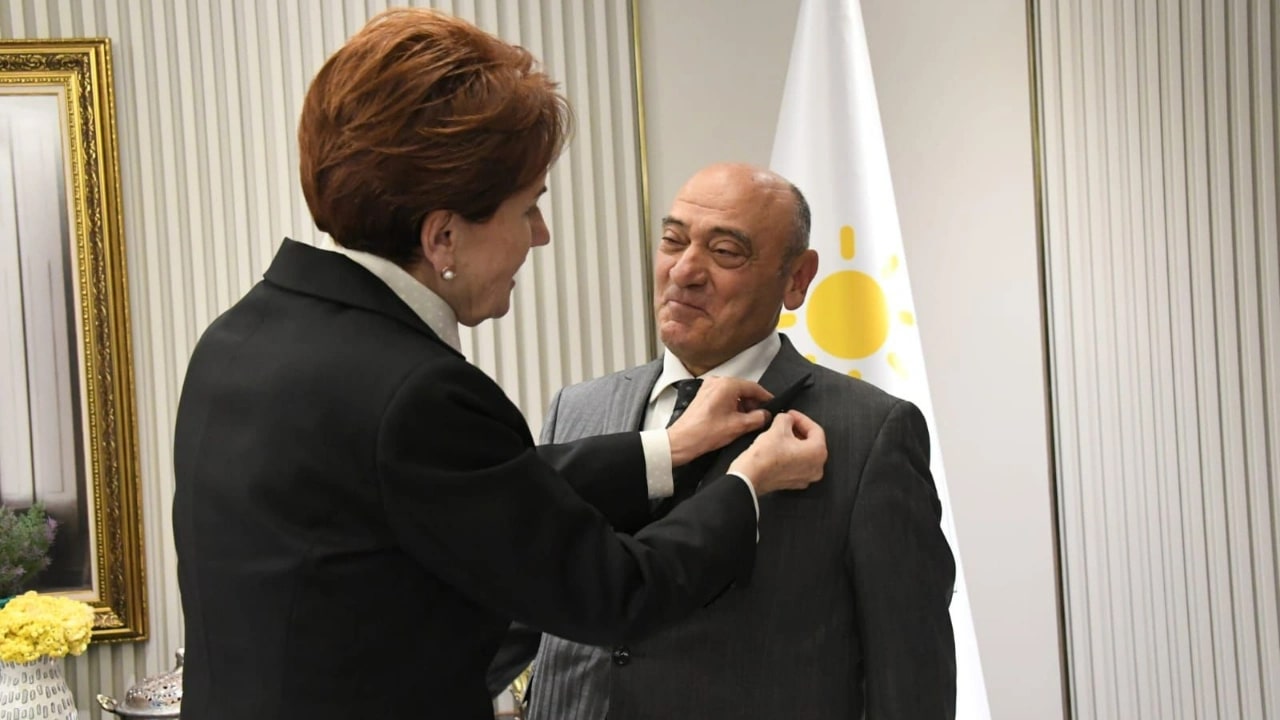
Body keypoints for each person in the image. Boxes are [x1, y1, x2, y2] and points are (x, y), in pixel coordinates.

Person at [170, 12, 828, 720]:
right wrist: (746, 483)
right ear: (443, 237)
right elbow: (615, 590)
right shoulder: (418, 394)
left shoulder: (239, 337)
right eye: (527, 209)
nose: (539, 236)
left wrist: (666, 451)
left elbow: (456, 488)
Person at [519, 163, 957, 719]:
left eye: (725, 252)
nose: (684, 271)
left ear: (796, 278)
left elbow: (911, 676)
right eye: (672, 240)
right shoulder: (578, 410)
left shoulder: (869, 434)